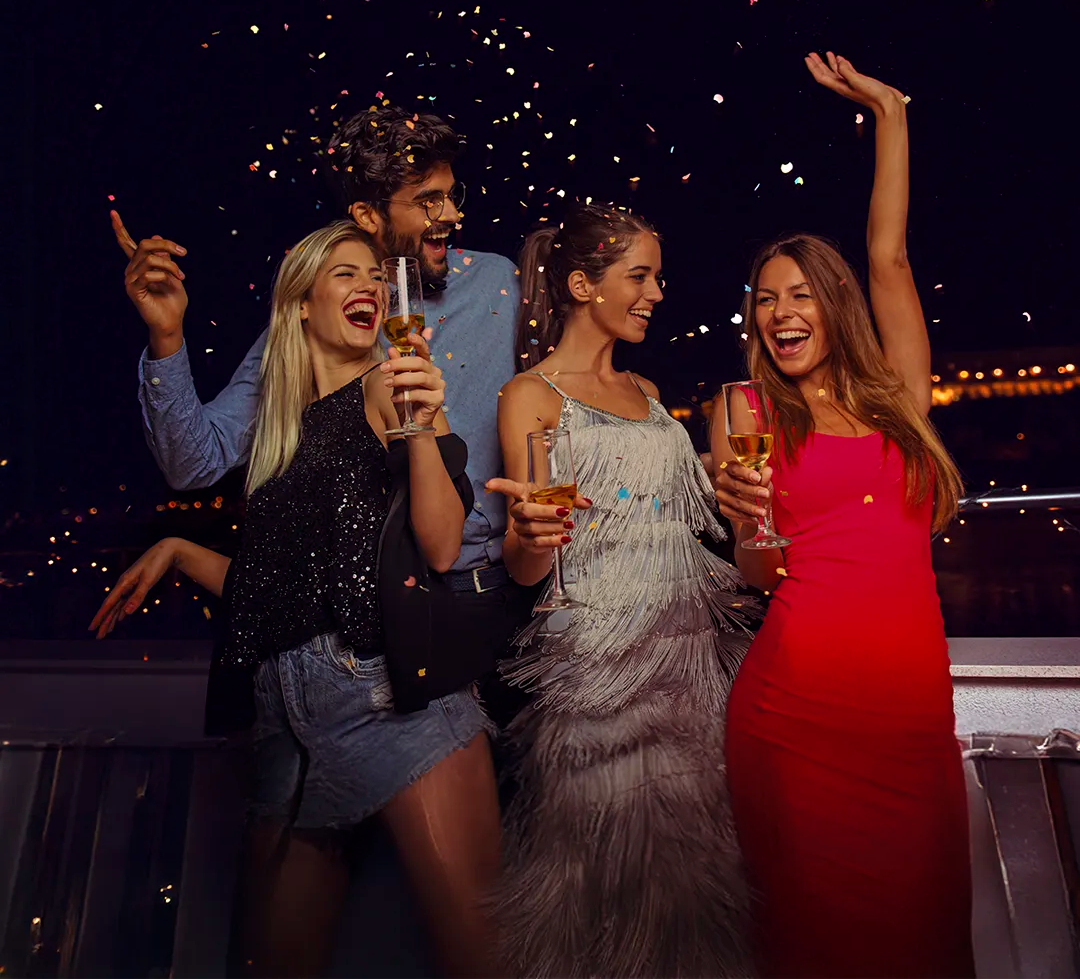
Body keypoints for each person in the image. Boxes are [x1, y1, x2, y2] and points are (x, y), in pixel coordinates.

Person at [93, 221, 501, 979]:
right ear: (299, 304)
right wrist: (182, 552)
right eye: (347, 275)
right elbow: (284, 594)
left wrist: (420, 424)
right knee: (275, 963)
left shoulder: (391, 385)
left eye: (377, 278)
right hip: (284, 715)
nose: (372, 289)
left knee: (479, 957)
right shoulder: (279, 434)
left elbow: (442, 547)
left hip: (388, 700)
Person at [112, 103, 527, 712]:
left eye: (450, 194)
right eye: (428, 201)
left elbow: (560, 394)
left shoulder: (501, 282)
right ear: (367, 215)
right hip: (385, 618)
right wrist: (168, 339)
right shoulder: (319, 318)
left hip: (507, 592)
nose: (452, 214)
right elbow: (194, 464)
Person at [714, 53, 974, 979]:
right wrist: (746, 529)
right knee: (810, 946)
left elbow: (890, 254)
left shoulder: (899, 399)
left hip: (908, 720)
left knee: (928, 937)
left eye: (799, 295)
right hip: (795, 718)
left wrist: (889, 113)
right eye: (765, 299)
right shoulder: (745, 410)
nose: (781, 313)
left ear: (833, 307)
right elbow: (753, 571)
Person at [484, 203, 757, 979]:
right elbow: (529, 564)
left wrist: (715, 480)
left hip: (689, 677)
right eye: (638, 276)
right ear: (581, 284)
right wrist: (528, 536)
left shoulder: (646, 387)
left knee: (695, 886)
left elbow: (665, 508)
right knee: (601, 886)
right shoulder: (529, 397)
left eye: (657, 277)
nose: (656, 293)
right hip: (597, 678)